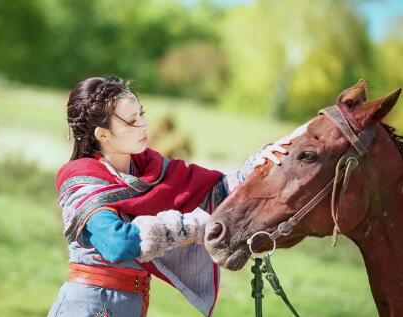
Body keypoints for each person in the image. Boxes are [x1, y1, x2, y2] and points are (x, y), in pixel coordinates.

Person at [47, 76, 289, 317]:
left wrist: (261, 166)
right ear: (103, 134)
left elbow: (217, 192)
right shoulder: (82, 179)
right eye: (131, 121)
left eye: (141, 114)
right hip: (87, 307)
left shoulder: (151, 168)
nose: (143, 125)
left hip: (133, 305)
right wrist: (186, 227)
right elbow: (118, 244)